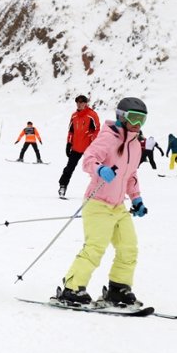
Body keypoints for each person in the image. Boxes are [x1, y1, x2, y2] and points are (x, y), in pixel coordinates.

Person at [56, 97, 149, 308]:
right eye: (134, 118)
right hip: (98, 203)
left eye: (142, 119)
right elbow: (88, 159)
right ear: (122, 117)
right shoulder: (108, 138)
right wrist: (100, 169)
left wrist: (137, 199)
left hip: (118, 206)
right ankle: (72, 288)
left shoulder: (136, 145)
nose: (137, 124)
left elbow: (130, 175)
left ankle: (118, 289)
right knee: (95, 248)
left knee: (128, 248)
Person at [58, 95, 100, 197]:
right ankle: (63, 186)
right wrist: (69, 143)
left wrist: (92, 140)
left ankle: (99, 191)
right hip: (76, 147)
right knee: (69, 168)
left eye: (81, 102)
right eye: (78, 102)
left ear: (86, 103)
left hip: (89, 148)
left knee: (94, 168)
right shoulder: (74, 116)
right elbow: (71, 131)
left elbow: (97, 130)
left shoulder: (92, 115)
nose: (79, 104)